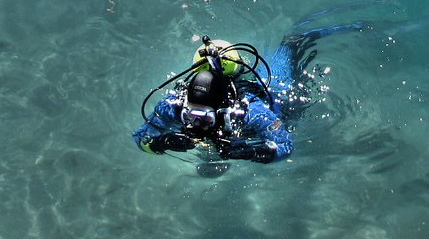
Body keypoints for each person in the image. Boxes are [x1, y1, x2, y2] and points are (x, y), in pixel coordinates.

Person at [134, 25, 357, 173]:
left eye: (204, 117)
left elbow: (285, 146)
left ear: (221, 111)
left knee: (289, 46)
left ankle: (299, 39)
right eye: (190, 115)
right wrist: (160, 143)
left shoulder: (251, 110)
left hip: (276, 94)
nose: (196, 123)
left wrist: (250, 152)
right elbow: (139, 138)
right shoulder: (172, 106)